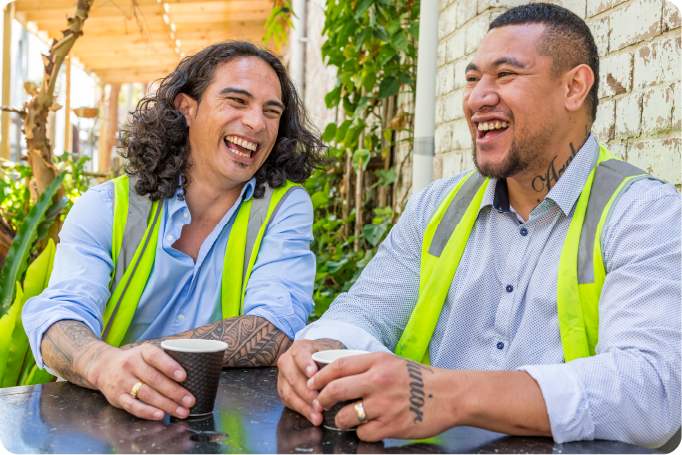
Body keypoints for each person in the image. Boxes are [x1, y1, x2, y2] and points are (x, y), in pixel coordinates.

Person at [277, 3, 682, 449]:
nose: (476, 99)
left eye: (505, 75)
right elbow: (365, 310)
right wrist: (318, 346)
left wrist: (451, 396)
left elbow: (652, 390)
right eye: (472, 79)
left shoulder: (644, 213)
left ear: (574, 87)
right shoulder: (436, 206)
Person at [23, 41, 325, 421]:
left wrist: (134, 358)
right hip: (99, 420)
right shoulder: (106, 206)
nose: (256, 123)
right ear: (187, 109)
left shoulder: (284, 207)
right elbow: (60, 316)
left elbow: (276, 326)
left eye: (271, 111)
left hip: (216, 428)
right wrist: (103, 366)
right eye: (237, 101)